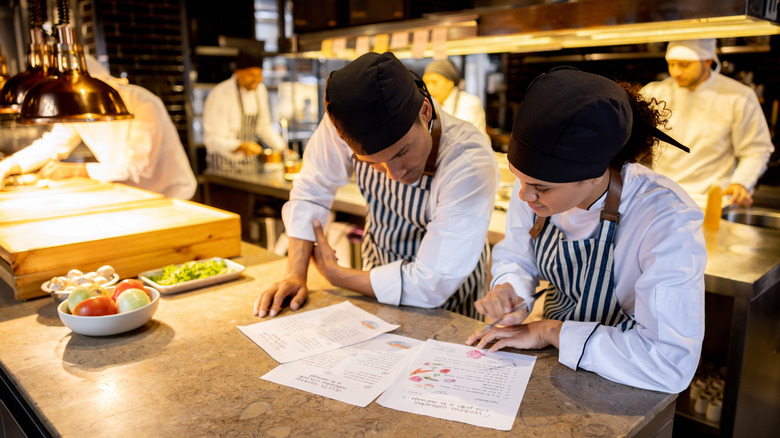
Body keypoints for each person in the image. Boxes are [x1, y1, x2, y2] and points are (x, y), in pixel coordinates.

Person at [466, 66, 706, 393]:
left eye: (540, 188)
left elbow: (669, 363)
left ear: (595, 174)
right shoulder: (534, 194)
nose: (524, 196)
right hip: (552, 366)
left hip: (626, 381)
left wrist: (550, 332)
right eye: (518, 180)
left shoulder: (664, 217)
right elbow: (517, 257)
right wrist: (511, 290)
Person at [254, 51, 499, 319]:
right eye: (373, 164)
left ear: (425, 112)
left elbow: (431, 285)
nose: (394, 175)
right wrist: (295, 274)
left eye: (402, 153)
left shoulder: (469, 159)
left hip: (449, 307)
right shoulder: (346, 120)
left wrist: (337, 275)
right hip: (375, 289)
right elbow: (313, 189)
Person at [0, 55, 197, 199]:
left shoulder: (143, 103)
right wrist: (7, 166)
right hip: (129, 196)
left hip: (172, 196)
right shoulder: (77, 109)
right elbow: (52, 145)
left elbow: (138, 169)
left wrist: (75, 171)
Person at [641, 39, 774, 207]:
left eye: (684, 65)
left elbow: (756, 149)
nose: (676, 72)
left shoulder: (739, 96)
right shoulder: (653, 92)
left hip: (710, 202)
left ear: (708, 61)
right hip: (661, 199)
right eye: (671, 64)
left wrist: (740, 183)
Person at [203, 49, 285, 173]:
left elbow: (263, 126)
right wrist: (240, 147)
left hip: (250, 167)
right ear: (238, 72)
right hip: (224, 169)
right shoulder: (220, 94)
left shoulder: (260, 90)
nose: (257, 80)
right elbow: (212, 139)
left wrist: (283, 148)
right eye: (251, 75)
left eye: (259, 75)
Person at [423, 59, 490, 143]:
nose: (429, 88)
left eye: (435, 82)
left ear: (450, 83)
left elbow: (461, 136)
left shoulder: (469, 103)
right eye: (426, 82)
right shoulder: (428, 105)